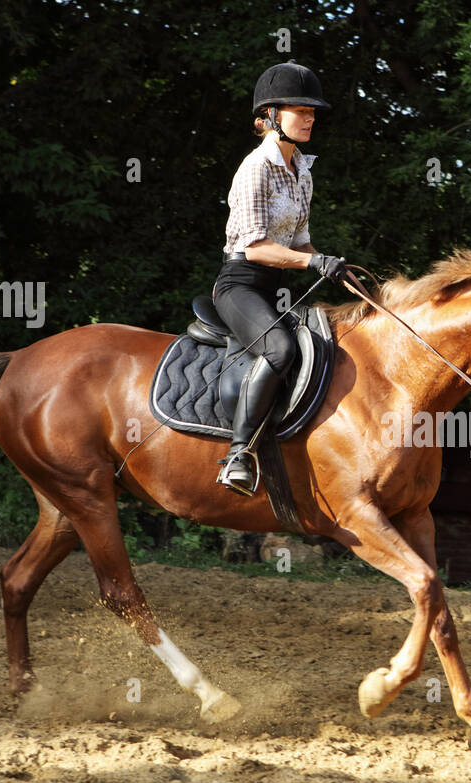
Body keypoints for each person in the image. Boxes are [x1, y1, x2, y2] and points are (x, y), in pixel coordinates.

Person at [210, 61, 349, 495]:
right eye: (300, 110)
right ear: (271, 116)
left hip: (279, 286)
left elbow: (301, 242)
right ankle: (237, 453)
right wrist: (311, 263)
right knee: (280, 347)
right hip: (241, 284)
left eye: (312, 112)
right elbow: (255, 248)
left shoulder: (301, 170)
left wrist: (330, 264)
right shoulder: (256, 168)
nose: (310, 118)